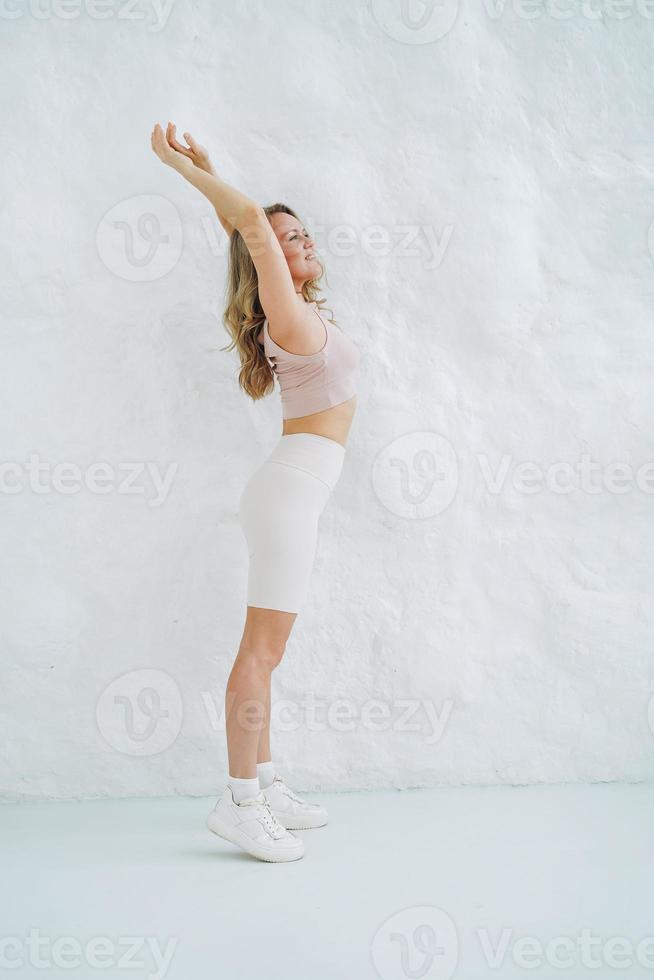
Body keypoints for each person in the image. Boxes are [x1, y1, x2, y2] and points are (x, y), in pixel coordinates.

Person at [150, 123, 361, 862]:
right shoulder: (290, 317)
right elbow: (249, 230)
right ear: (265, 262)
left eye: (302, 233)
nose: (297, 241)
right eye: (284, 239)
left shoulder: (301, 310)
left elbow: (246, 231)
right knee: (260, 653)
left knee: (271, 652)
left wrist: (211, 171)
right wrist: (183, 170)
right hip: (288, 490)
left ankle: (264, 785)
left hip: (295, 488)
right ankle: (239, 801)